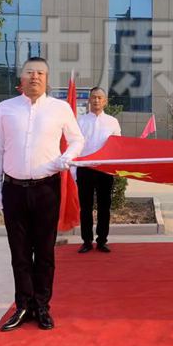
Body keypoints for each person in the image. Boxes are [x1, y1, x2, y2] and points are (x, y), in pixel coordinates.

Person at [0, 57, 85, 332]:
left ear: (47, 78)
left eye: (40, 73)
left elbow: (77, 139)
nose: (35, 77)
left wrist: (66, 157)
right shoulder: (5, 109)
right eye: (30, 72)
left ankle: (41, 306)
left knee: (44, 252)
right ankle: (23, 306)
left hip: (46, 189)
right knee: (19, 252)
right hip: (14, 189)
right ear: (21, 78)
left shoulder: (60, 108)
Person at [77, 87, 122, 254]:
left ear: (105, 101)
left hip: (104, 169)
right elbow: (75, 146)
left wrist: (115, 168)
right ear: (89, 100)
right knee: (85, 207)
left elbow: (117, 146)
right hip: (85, 169)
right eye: (94, 97)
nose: (96, 100)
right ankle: (86, 241)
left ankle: (102, 240)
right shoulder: (80, 121)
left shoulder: (112, 122)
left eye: (100, 98)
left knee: (104, 206)